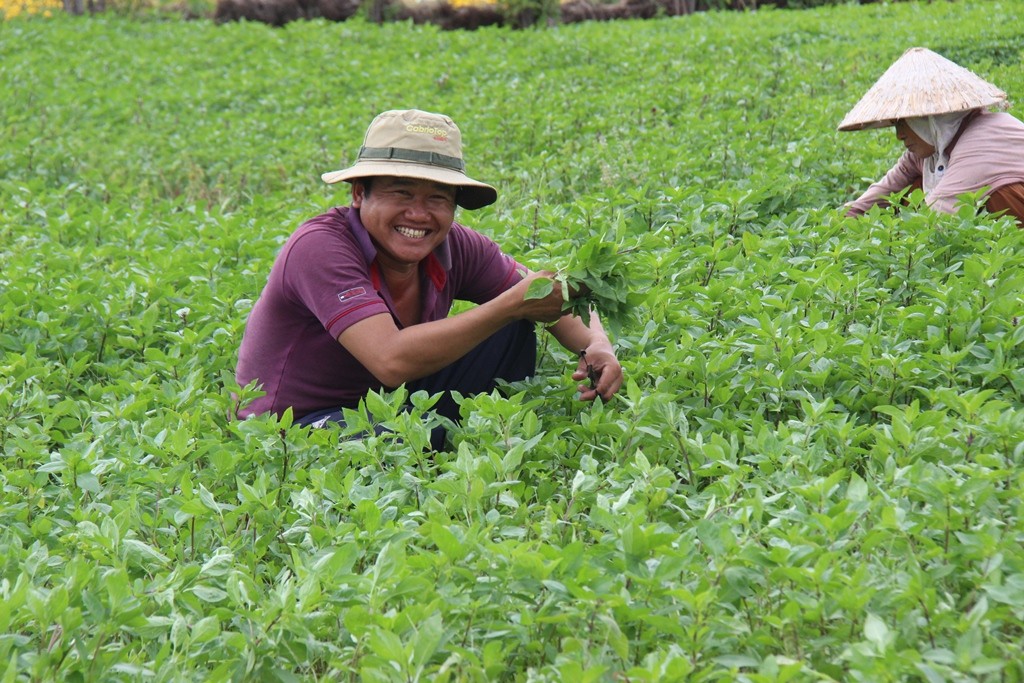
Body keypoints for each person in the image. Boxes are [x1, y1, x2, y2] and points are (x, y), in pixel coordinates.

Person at [234, 108, 623, 447]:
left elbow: (543, 291)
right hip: (292, 426)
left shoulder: (456, 245)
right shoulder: (320, 248)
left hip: (388, 401)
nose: (419, 215)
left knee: (509, 328)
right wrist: (511, 304)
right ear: (358, 194)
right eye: (401, 193)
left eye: (438, 198)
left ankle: (469, 440)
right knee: (414, 436)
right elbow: (390, 360)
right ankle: (443, 446)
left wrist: (597, 344)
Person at [839, 47, 1024, 226]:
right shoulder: (936, 146)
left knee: (1002, 193)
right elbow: (888, 186)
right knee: (909, 189)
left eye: (903, 123)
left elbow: (939, 215)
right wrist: (843, 218)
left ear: (928, 119)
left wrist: (894, 247)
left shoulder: (980, 140)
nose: (899, 135)